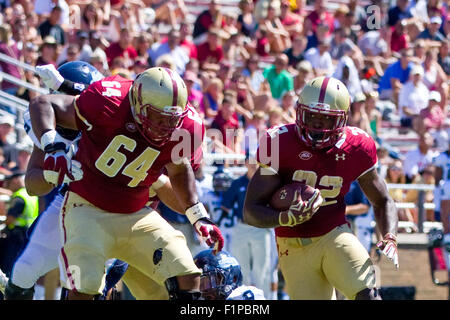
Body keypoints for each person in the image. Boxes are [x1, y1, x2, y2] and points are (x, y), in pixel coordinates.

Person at [28, 66, 224, 300]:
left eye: (171, 120)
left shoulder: (188, 125)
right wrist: (54, 147)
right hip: (87, 208)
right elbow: (43, 104)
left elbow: (179, 170)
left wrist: (198, 216)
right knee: (86, 285)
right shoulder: (109, 100)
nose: (164, 126)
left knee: (187, 272)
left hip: (136, 213)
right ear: (137, 103)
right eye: (157, 116)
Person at [244, 76, 399, 300]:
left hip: (334, 234)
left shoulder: (356, 146)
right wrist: (286, 217)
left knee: (368, 296)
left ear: (342, 119)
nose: (317, 124)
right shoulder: (279, 142)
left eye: (326, 119)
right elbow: (251, 211)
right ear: (299, 112)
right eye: (312, 115)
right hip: (292, 245)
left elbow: (383, 200)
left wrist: (390, 235)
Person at [221, 154, 276, 299]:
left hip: (260, 227)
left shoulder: (266, 182)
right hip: (242, 227)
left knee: (262, 269)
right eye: (250, 162)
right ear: (245, 163)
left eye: (255, 162)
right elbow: (226, 205)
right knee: (241, 267)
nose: (253, 165)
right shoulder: (238, 183)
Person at [0, 170, 39, 283]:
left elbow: (10, 220)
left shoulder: (19, 197)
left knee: (7, 268)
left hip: (15, 238)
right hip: (28, 237)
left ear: (17, 180)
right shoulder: (31, 195)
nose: (9, 184)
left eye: (10, 181)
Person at [193, 249, 265, 300]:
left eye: (208, 282)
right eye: (199, 285)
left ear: (233, 278)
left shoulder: (241, 295)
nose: (203, 291)